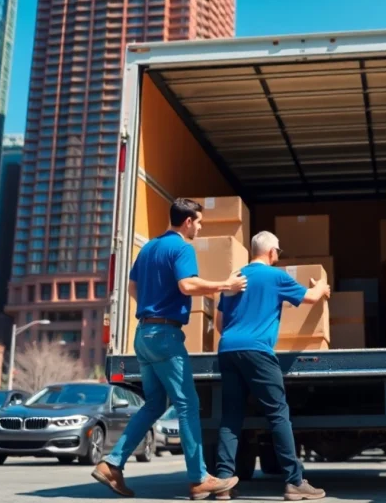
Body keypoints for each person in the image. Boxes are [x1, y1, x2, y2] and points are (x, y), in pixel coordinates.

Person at [92, 198, 248, 500]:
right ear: (187, 221)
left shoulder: (149, 247)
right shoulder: (182, 248)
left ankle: (112, 464)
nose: (200, 227)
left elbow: (133, 286)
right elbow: (187, 286)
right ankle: (199, 478)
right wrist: (224, 284)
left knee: (154, 404)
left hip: (144, 334)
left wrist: (152, 310)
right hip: (165, 335)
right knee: (188, 405)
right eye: (199, 222)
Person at [213, 231, 330, 501]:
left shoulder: (235, 276)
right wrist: (322, 287)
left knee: (231, 416)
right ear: (271, 252)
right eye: (278, 251)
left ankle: (223, 483)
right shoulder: (275, 277)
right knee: (278, 414)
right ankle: (294, 481)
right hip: (258, 351)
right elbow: (310, 298)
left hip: (228, 349)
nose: (278, 256)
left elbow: (220, 324)